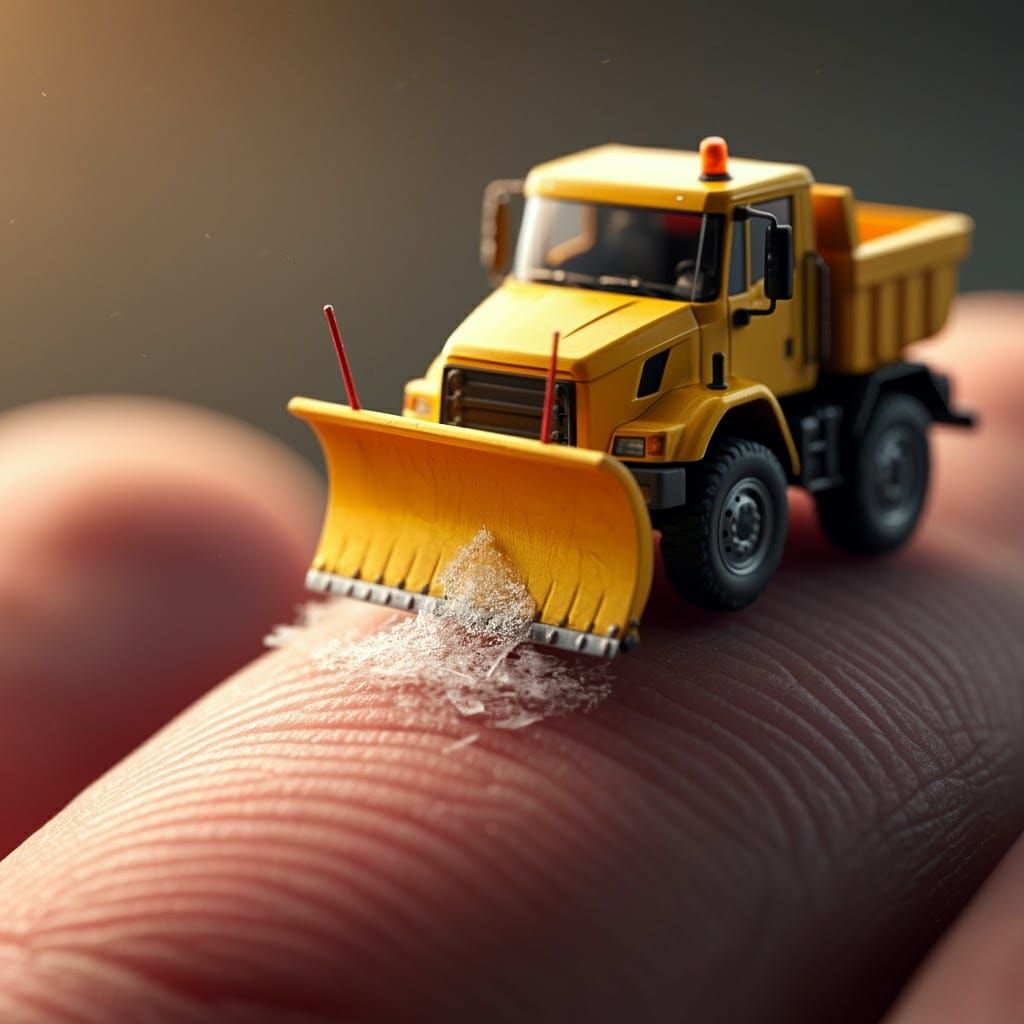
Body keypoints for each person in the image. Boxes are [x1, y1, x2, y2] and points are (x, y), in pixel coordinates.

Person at [0, 296, 1021, 1023]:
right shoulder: (528, 319)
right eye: (553, 248)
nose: (594, 275)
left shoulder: (730, 338)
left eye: (673, 260)